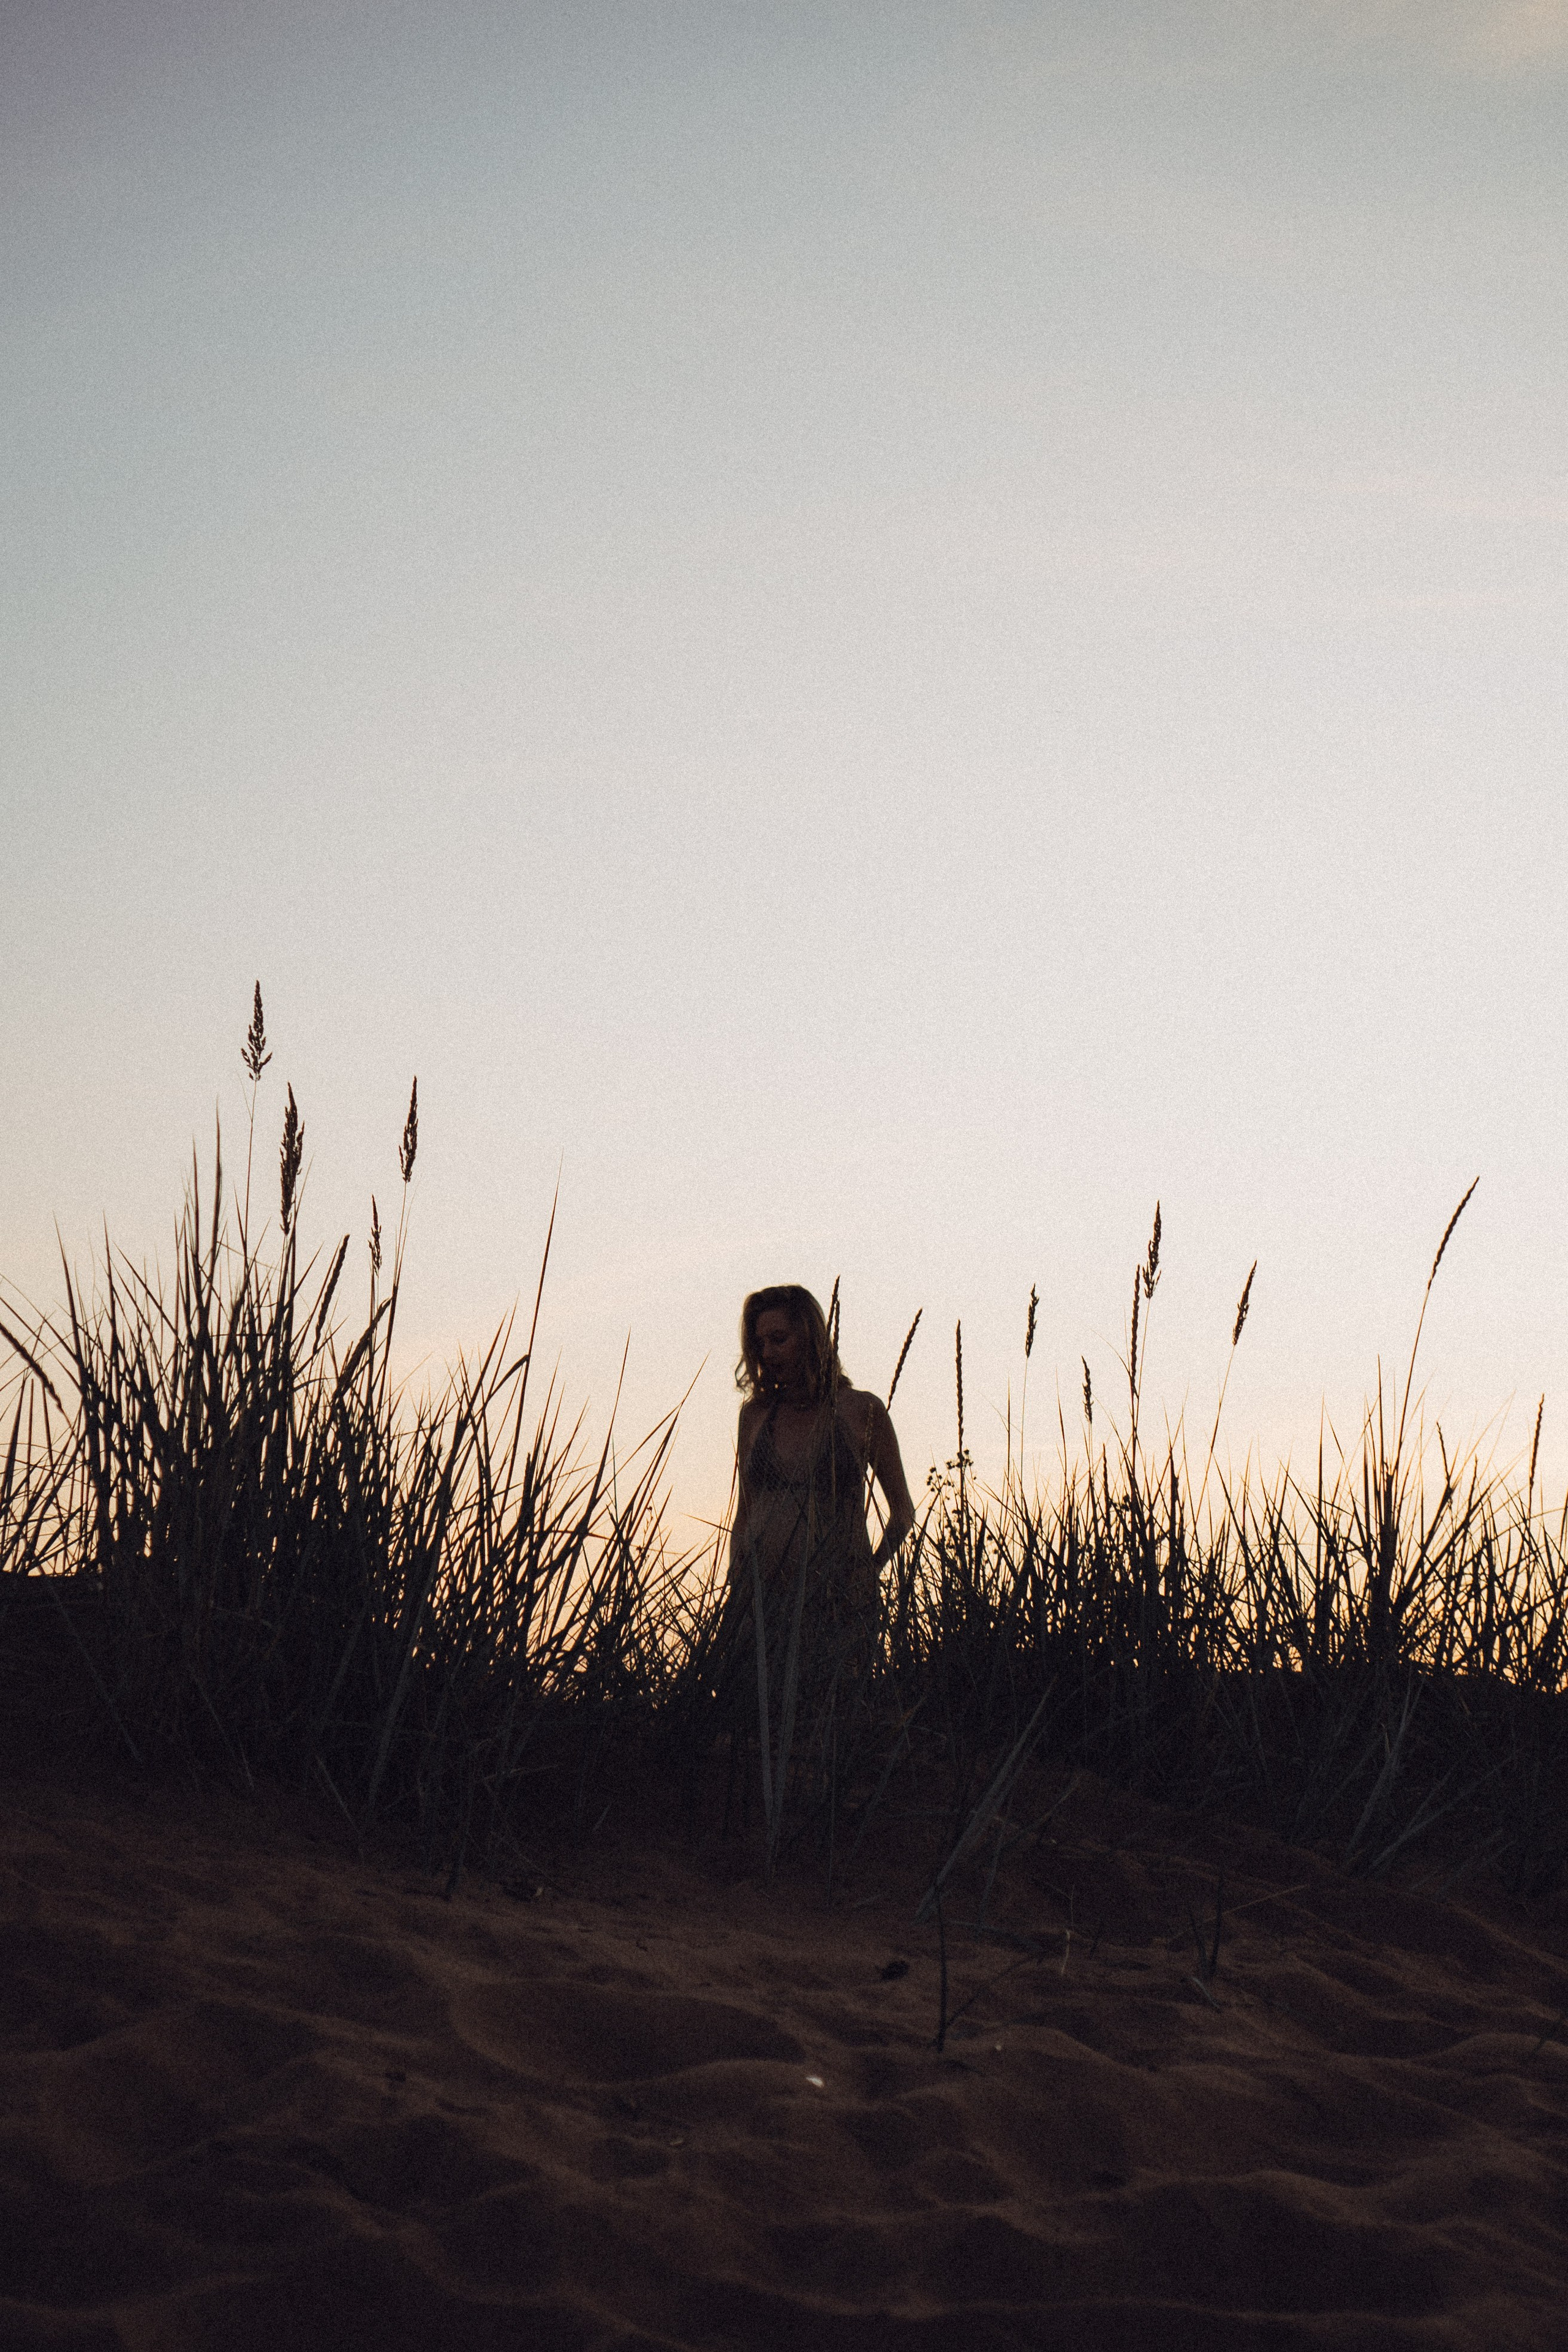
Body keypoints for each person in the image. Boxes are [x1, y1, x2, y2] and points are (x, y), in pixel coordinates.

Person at [727, 1285, 916, 1691]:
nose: (768, 1353)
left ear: (810, 1337)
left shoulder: (862, 1410)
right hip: (761, 1604)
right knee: (753, 1717)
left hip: (838, 1604)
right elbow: (745, 1513)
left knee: (834, 1716)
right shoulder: (754, 1416)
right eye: (760, 1343)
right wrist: (737, 1583)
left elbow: (903, 1513)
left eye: (779, 1339)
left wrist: (868, 1572)